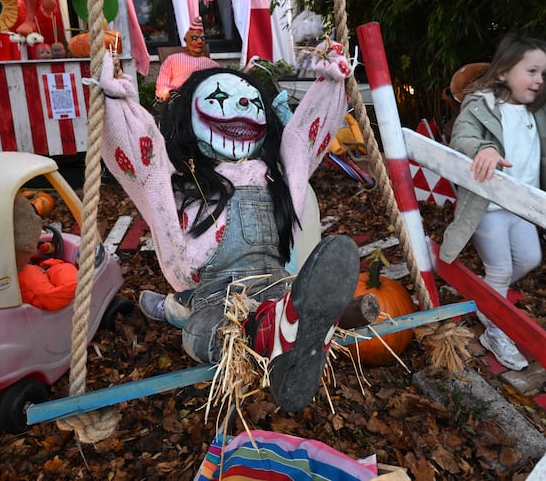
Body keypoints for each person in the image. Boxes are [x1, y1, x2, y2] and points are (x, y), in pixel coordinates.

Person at [101, 39, 359, 413]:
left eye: (252, 102)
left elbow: (304, 138)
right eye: (222, 96)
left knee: (290, 297)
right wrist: (119, 106)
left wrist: (331, 86)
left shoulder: (273, 177)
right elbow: (144, 163)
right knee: (203, 334)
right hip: (220, 296)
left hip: (276, 283)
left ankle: (291, 323)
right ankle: (286, 332)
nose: (242, 106)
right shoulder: (184, 182)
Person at [439, 32, 546, 371]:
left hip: (522, 205)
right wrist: (483, 148)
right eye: (531, 71)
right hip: (487, 206)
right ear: (503, 71)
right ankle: (495, 330)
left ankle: (488, 298)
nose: (539, 80)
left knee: (530, 259)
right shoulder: (483, 103)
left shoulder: (540, 109)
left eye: (544, 74)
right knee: (500, 269)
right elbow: (462, 135)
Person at [154, 16, 219, 101]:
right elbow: (161, 85)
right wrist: (170, 94)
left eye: (202, 38)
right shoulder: (172, 59)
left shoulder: (212, 65)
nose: (199, 41)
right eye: (195, 38)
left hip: (204, 101)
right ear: (186, 40)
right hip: (178, 100)